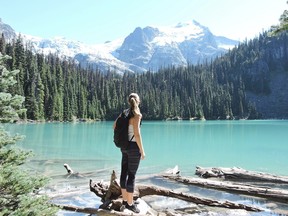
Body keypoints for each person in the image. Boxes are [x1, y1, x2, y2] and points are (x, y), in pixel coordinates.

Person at [113, 93, 145, 213]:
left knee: (124, 173)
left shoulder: (124, 113)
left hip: (124, 146)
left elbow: (114, 126)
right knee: (131, 175)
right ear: (138, 101)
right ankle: (130, 204)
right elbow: (137, 134)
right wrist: (142, 151)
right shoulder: (137, 115)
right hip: (133, 147)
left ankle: (125, 201)